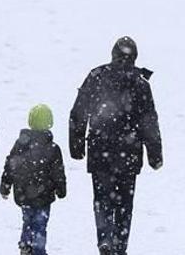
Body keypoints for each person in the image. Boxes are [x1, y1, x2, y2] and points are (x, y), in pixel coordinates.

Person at [69, 36, 163, 255]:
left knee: (102, 199)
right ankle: (120, 245)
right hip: (128, 154)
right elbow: (149, 121)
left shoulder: (96, 76)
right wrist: (155, 154)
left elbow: (78, 112)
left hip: (100, 149)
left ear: (113, 54)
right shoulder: (140, 83)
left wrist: (76, 144)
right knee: (124, 204)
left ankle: (104, 239)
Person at [0, 104, 67, 255]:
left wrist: (5, 185)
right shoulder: (53, 148)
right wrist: (61, 189)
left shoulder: (21, 144)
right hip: (44, 194)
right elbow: (58, 173)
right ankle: (38, 249)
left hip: (23, 192)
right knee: (40, 223)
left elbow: (10, 165)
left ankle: (26, 244)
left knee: (28, 219)